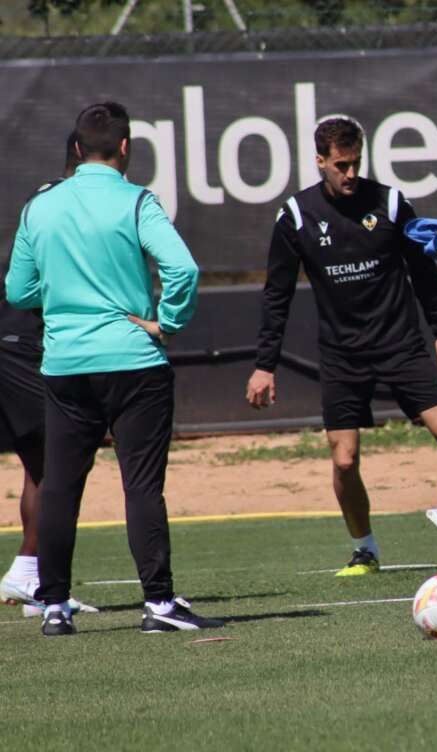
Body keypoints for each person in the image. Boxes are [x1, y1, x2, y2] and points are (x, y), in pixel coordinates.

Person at [5, 101, 219, 636]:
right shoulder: (137, 201)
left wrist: (59, 303)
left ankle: (54, 607)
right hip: (133, 362)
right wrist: (167, 321)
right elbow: (184, 268)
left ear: (76, 151)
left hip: (65, 365)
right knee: (142, 486)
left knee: (58, 487)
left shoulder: (41, 207)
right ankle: (159, 606)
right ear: (126, 149)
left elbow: (17, 289)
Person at [246, 118, 437, 577]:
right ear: (320, 162)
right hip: (342, 355)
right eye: (340, 165)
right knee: (344, 459)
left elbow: (423, 272)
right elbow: (276, 294)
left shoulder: (392, 204)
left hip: (401, 344)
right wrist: (265, 365)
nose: (350, 172)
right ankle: (365, 549)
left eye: (356, 162)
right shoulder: (297, 216)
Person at [0, 133, 100, 618]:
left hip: (17, 342)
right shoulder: (65, 204)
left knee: (41, 467)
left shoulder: (42, 201)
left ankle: (32, 576)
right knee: (62, 467)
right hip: (24, 345)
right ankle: (35, 577)